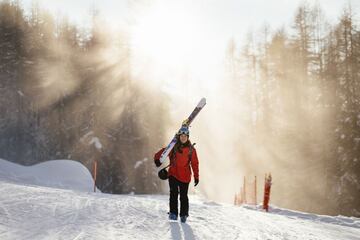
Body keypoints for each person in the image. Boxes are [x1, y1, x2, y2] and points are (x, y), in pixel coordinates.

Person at [154, 126, 199, 223]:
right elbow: (162, 152)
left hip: (185, 176)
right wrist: (157, 159)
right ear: (179, 137)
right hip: (173, 174)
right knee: (173, 194)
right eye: (181, 136)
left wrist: (196, 177)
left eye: (185, 136)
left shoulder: (191, 150)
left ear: (188, 137)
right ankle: (173, 213)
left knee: (183, 196)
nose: (183, 138)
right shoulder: (173, 147)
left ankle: (183, 215)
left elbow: (195, 163)